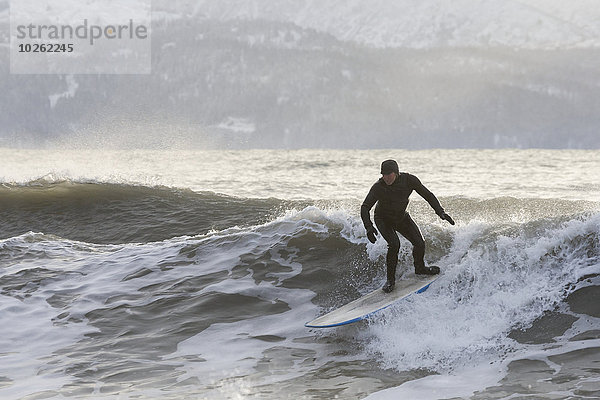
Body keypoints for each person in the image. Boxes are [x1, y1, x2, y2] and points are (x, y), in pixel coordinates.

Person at [361, 159, 455, 293]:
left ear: (396, 173)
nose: (386, 177)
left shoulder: (409, 180)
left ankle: (420, 268)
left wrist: (440, 211)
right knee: (394, 244)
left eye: (389, 174)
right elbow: (365, 207)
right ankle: (390, 281)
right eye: (384, 174)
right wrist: (369, 227)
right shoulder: (378, 187)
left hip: (400, 217)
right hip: (383, 219)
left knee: (420, 243)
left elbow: (427, 195)